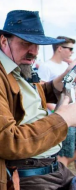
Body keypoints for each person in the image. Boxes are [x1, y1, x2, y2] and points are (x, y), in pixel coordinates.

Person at [0, 10, 76, 190]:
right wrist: (63, 119)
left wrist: (60, 82)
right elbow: (7, 142)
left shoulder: (15, 63)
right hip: (25, 174)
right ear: (4, 40)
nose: (34, 52)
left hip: (51, 167)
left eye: (37, 45)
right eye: (26, 43)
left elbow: (28, 98)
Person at [38, 36, 76, 168]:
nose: (72, 51)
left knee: (70, 154)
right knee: (62, 157)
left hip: (71, 117)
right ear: (59, 48)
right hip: (58, 119)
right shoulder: (46, 66)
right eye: (70, 48)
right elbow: (41, 93)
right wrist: (58, 112)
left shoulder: (67, 66)